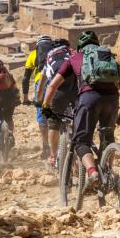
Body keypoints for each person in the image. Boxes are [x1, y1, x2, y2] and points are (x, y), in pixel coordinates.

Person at [42, 31, 120, 188]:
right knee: (108, 138)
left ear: (80, 47)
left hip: (88, 99)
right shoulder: (108, 58)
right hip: (112, 99)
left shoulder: (74, 59)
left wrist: (46, 106)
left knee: (81, 141)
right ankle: (108, 172)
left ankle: (92, 172)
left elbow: (52, 85)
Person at [35, 38, 77, 168]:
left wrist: (40, 101)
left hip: (58, 92)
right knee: (77, 119)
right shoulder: (72, 53)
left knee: (53, 123)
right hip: (74, 90)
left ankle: (53, 156)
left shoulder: (49, 57)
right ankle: (77, 155)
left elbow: (42, 84)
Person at [22, 35, 54, 159]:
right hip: (57, 82)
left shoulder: (33, 54)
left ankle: (46, 146)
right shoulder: (57, 53)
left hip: (41, 84)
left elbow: (25, 78)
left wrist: (25, 98)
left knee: (42, 115)